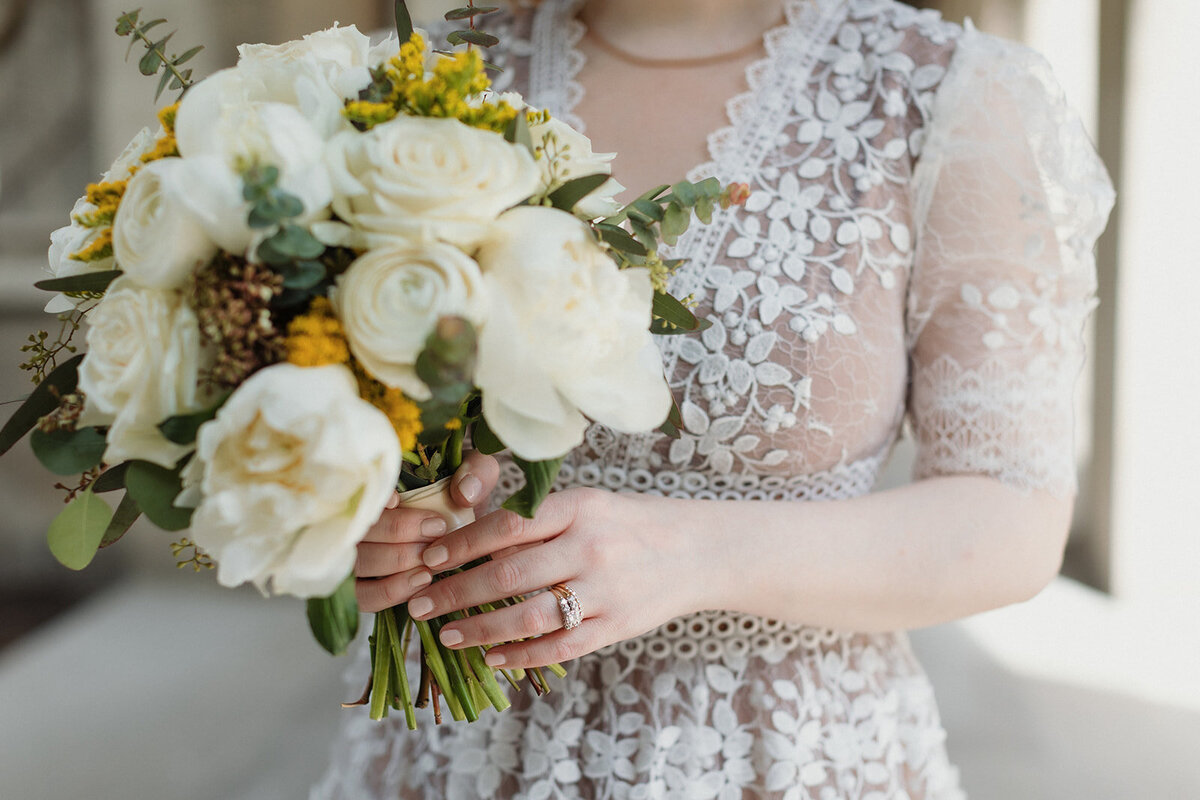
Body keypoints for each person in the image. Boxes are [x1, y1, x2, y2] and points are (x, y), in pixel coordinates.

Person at [312, 0, 1115, 797]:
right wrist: (360, 525)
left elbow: (1013, 508)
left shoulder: (940, 90)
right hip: (455, 756)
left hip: (787, 757)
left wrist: (693, 553)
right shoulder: (409, 79)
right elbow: (310, 409)